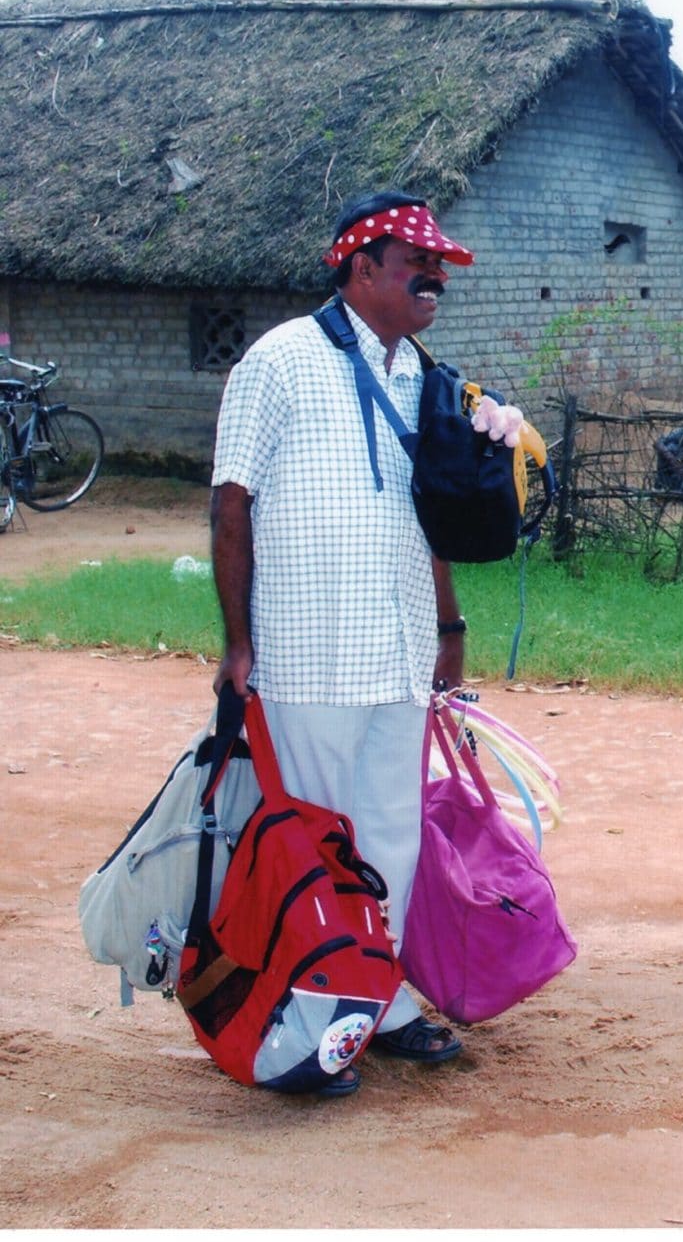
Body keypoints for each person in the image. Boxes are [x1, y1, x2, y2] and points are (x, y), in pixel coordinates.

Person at [210, 190, 481, 1096]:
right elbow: (231, 504)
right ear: (362, 270)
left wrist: (447, 625)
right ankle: (305, 1020)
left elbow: (432, 515)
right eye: (416, 264)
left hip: (397, 649)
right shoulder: (279, 360)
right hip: (309, 652)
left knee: (391, 835)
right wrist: (238, 642)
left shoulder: (423, 376)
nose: (434, 279)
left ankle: (379, 1000)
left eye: (439, 266)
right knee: (313, 841)